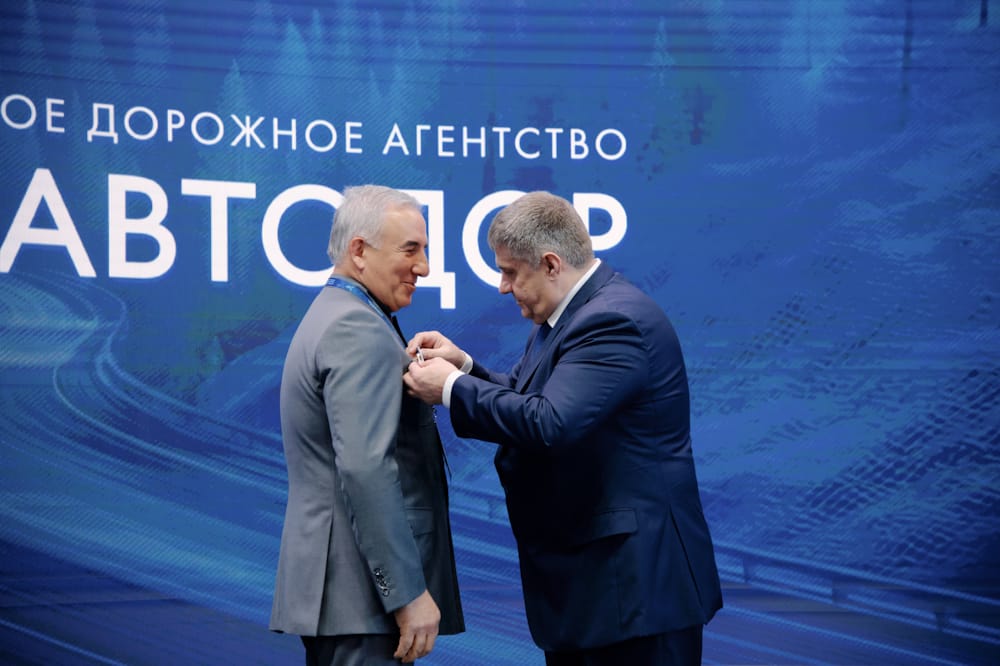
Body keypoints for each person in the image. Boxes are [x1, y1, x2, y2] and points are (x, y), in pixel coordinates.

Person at [403, 191, 722, 665]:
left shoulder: (612, 321)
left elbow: (550, 421)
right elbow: (528, 395)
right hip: (601, 593)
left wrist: (449, 387)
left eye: (510, 272)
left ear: (551, 264)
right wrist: (464, 367)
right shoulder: (571, 317)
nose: (502, 287)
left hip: (635, 596)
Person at [270, 185, 464, 665]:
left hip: (348, 600)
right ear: (359, 250)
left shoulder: (337, 315)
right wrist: (406, 593)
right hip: (363, 603)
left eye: (424, 250)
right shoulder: (356, 328)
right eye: (410, 250)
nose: (424, 267)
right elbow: (365, 468)